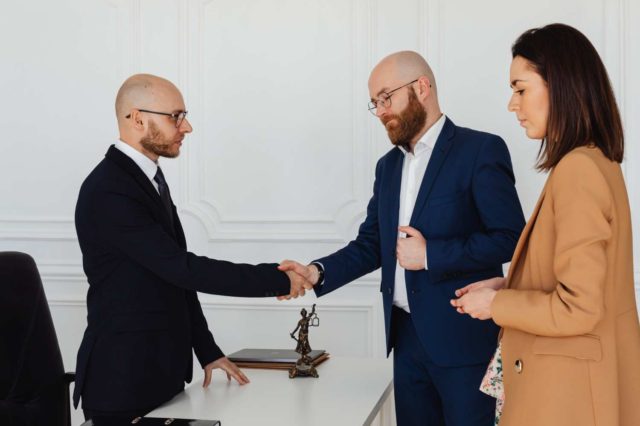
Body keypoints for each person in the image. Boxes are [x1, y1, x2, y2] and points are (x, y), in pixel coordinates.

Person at [279, 51, 525, 426]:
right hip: (405, 341)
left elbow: (510, 237)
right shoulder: (388, 166)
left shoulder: (480, 150)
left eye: (385, 97)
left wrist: (431, 255)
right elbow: (371, 244)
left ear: (421, 88)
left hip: (464, 343)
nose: (380, 111)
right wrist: (316, 272)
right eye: (374, 103)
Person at [73, 74, 311, 422]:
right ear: (138, 118)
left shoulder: (147, 178)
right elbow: (183, 268)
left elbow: (174, 280)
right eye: (176, 116)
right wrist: (277, 279)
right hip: (122, 383)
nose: (187, 127)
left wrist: (208, 351)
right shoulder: (110, 189)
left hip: (160, 376)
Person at [451, 23, 640, 426]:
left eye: (521, 89)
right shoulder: (598, 162)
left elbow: (579, 307)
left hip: (566, 397)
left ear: (562, 85)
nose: (512, 105)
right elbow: (590, 283)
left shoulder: (578, 171)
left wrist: (496, 305)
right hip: (580, 388)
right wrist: (508, 284)